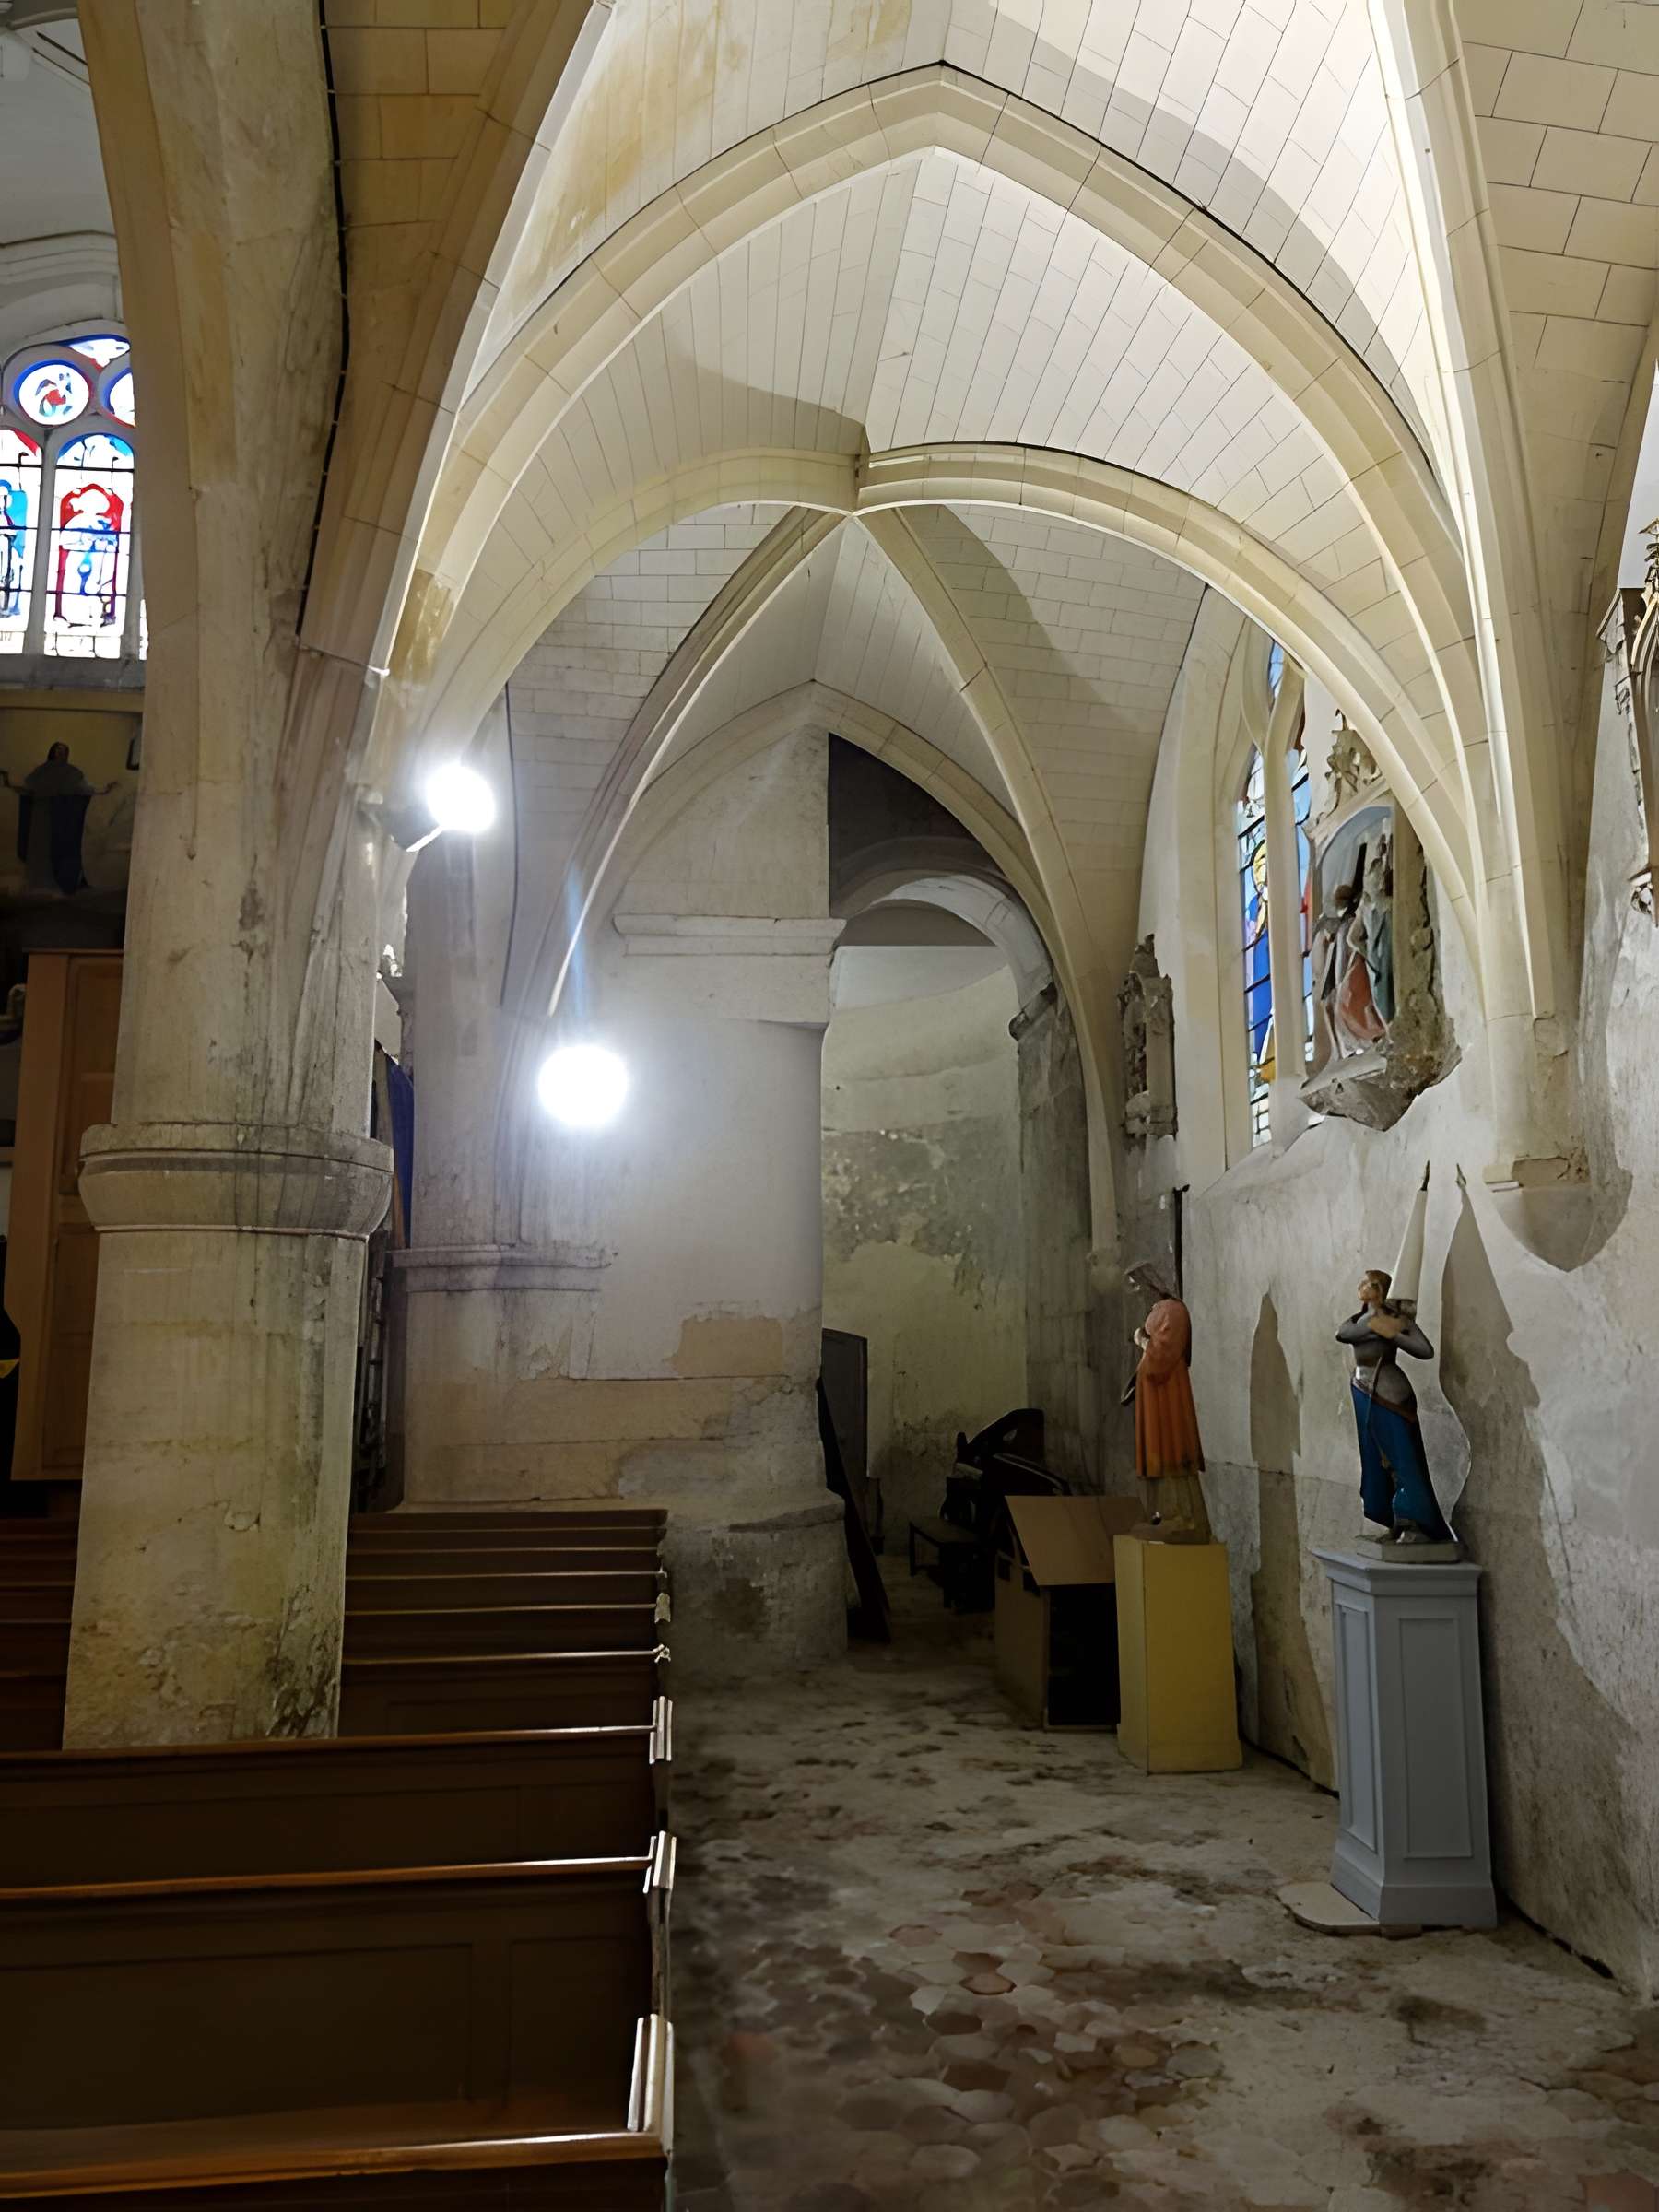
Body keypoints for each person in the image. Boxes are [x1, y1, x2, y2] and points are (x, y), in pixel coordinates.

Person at [1336, 1267, 1453, 1544]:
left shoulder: (1396, 1321)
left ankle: (1416, 1520)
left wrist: (1395, 1334)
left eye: (1372, 1283)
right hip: (1363, 1389)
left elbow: (1425, 1350)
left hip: (1388, 1391)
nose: (1365, 1286)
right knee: (1377, 1458)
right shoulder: (1360, 1320)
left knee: (1400, 1457)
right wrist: (1373, 1323)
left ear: (1383, 1290)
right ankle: (1394, 1520)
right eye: (1363, 1281)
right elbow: (1344, 1333)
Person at [1124, 1263, 1211, 1543]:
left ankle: (1184, 1518)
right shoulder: (1160, 1311)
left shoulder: (1173, 1311)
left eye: (1139, 1285)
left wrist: (1142, 1340)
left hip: (1168, 1397)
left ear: (1152, 1283)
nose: (1138, 1292)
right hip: (1156, 1397)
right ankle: (1167, 1512)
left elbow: (1163, 1356)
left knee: (1172, 1450)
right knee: (1161, 1453)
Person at [2, 741, 116, 895]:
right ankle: (38, 884)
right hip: (41, 816)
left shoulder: (72, 772)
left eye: (64, 751)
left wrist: (103, 790)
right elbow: (28, 787)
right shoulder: (41, 771)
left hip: (62, 817)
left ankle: (57, 884)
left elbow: (85, 788)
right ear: (52, 752)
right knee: (40, 847)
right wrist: (9, 783)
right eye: (58, 750)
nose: (61, 753)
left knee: (59, 848)